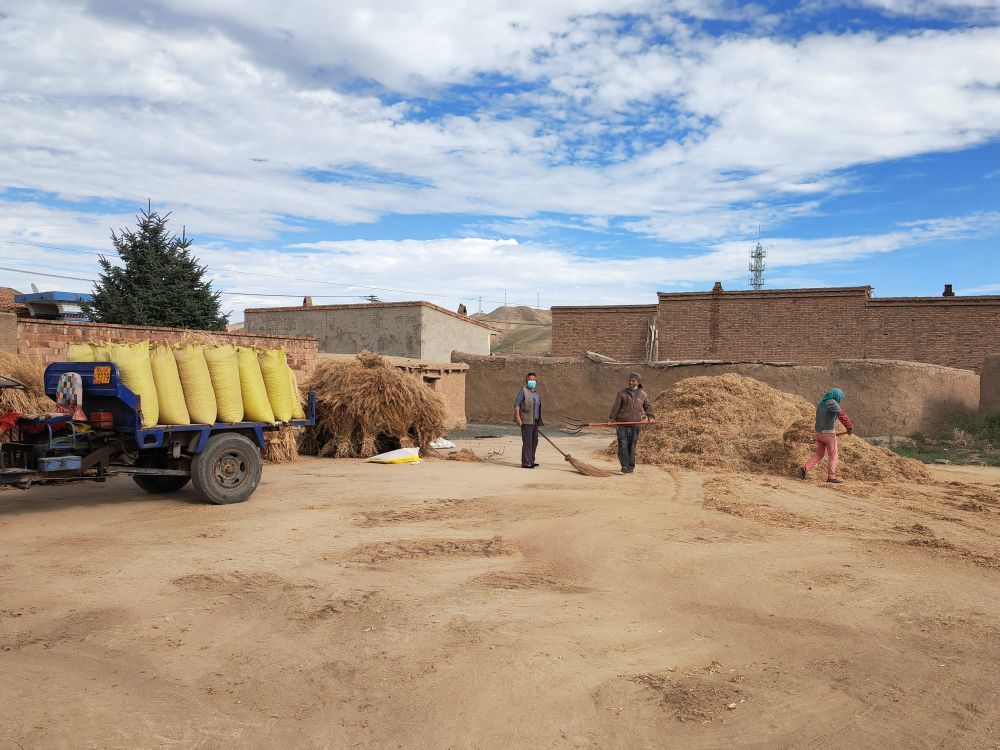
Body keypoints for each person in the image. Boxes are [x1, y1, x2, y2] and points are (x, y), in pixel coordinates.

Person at [799, 387, 854, 483]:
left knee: (819, 454)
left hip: (818, 433)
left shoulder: (821, 403)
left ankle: (805, 468)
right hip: (828, 434)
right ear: (837, 396)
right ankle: (831, 477)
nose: (840, 399)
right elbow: (842, 415)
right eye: (840, 397)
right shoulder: (832, 403)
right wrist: (849, 427)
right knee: (833, 455)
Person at [609, 372, 655, 474]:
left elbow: (648, 407)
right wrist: (612, 419)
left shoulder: (643, 395)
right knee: (623, 445)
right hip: (622, 425)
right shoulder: (622, 393)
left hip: (635, 425)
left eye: (633, 381)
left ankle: (631, 467)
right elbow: (616, 407)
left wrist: (651, 417)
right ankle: (624, 466)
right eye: (629, 380)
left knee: (632, 446)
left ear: (638, 382)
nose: (630, 382)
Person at [514, 371, 542, 468]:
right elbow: (517, 405)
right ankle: (526, 463)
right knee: (527, 441)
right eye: (530, 379)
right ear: (527, 380)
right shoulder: (523, 391)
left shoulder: (535, 394)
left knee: (534, 441)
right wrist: (518, 418)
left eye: (533, 380)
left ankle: (531, 460)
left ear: (536, 381)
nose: (532, 381)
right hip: (526, 421)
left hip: (535, 421)